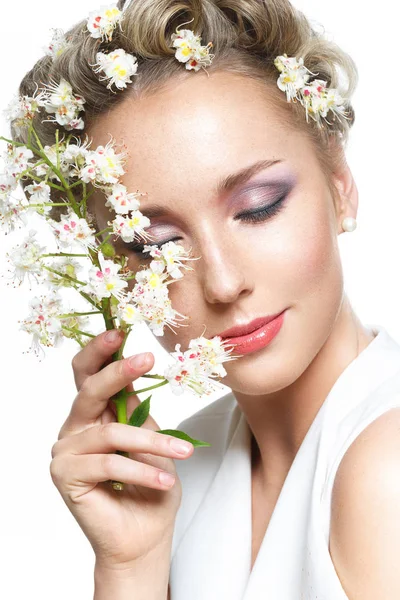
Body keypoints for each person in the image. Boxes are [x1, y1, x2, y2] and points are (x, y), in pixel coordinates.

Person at [12, 0, 400, 598]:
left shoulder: (387, 466)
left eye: (259, 206)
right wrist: (131, 565)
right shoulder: (182, 469)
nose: (222, 284)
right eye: (155, 244)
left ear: (341, 187)